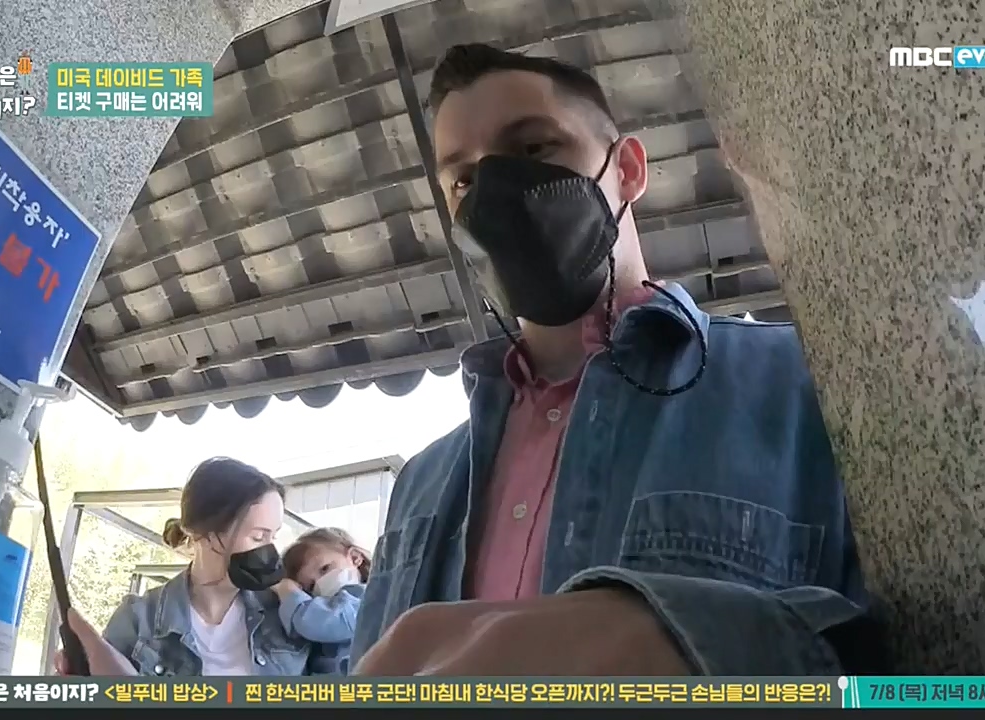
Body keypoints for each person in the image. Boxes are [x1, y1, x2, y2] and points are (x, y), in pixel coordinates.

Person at [350, 43, 879, 676]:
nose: (494, 191)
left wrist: (686, 642)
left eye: (534, 148)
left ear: (626, 169)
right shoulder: (421, 485)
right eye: (463, 180)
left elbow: (940, 657)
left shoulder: (802, 383)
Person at [55, 457, 318, 676]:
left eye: (273, 536)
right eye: (258, 537)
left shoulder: (290, 613)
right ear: (205, 533)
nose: (270, 552)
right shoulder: (139, 621)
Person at [273, 527, 370, 675]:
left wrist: (289, 592)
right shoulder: (317, 610)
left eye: (324, 569)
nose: (320, 582)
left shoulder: (367, 597)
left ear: (355, 557)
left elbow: (323, 622)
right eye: (311, 586)